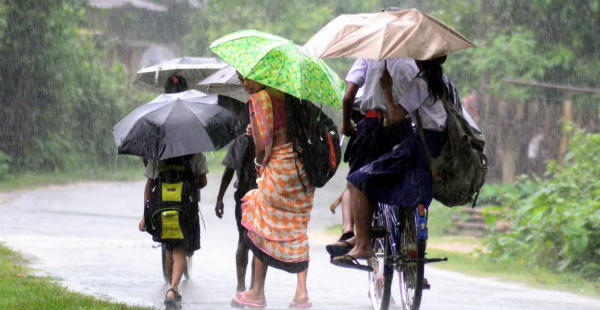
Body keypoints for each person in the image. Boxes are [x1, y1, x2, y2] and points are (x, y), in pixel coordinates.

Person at [332, 56, 450, 270]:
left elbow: (395, 115)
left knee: (359, 179)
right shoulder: (441, 80)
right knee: (394, 176)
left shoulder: (421, 83)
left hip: (416, 143)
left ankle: (364, 242)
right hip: (432, 144)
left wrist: (387, 88)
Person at [231, 73, 315, 309]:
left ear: (263, 76)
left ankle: (257, 292)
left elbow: (262, 149)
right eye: (240, 79)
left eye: (248, 77)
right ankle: (301, 294)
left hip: (279, 169)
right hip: (302, 171)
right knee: (298, 226)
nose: (245, 84)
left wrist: (258, 165)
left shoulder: (260, 100)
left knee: (257, 221)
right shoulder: (294, 97)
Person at [326, 57, 418, 257]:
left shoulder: (368, 57)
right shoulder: (414, 61)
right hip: (403, 130)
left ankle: (363, 241)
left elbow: (348, 97)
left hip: (373, 127)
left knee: (358, 181)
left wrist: (347, 124)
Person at [138, 153, 208, 308]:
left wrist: (145, 215)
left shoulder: (157, 155)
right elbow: (203, 182)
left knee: (169, 249)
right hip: (185, 208)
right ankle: (173, 289)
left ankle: (172, 289)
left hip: (162, 207)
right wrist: (187, 182)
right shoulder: (196, 154)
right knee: (180, 250)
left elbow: (149, 186)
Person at [214, 131, 257, 292]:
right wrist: (219, 198)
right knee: (252, 241)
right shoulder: (261, 139)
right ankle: (248, 287)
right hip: (253, 195)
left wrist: (220, 198)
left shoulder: (241, 141)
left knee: (247, 241)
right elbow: (228, 172)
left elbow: (228, 172)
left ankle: (246, 287)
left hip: (249, 196)